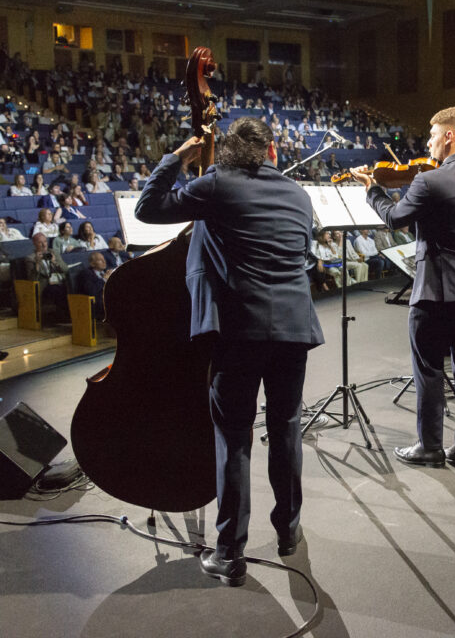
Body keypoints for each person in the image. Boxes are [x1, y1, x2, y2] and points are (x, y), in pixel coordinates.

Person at [135, 116, 324, 587]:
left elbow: (147, 208)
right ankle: (288, 531)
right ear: (271, 151)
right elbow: (302, 254)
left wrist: (179, 157)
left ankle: (229, 553)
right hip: (296, 329)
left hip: (241, 333)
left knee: (235, 437)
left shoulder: (216, 185)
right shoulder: (299, 195)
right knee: (285, 430)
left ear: (227, 152)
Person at [351, 106, 455, 471]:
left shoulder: (429, 182)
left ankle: (430, 446)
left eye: (433, 135)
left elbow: (395, 219)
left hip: (437, 289)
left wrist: (373, 191)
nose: (428, 142)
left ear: (450, 135)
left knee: (429, 367)